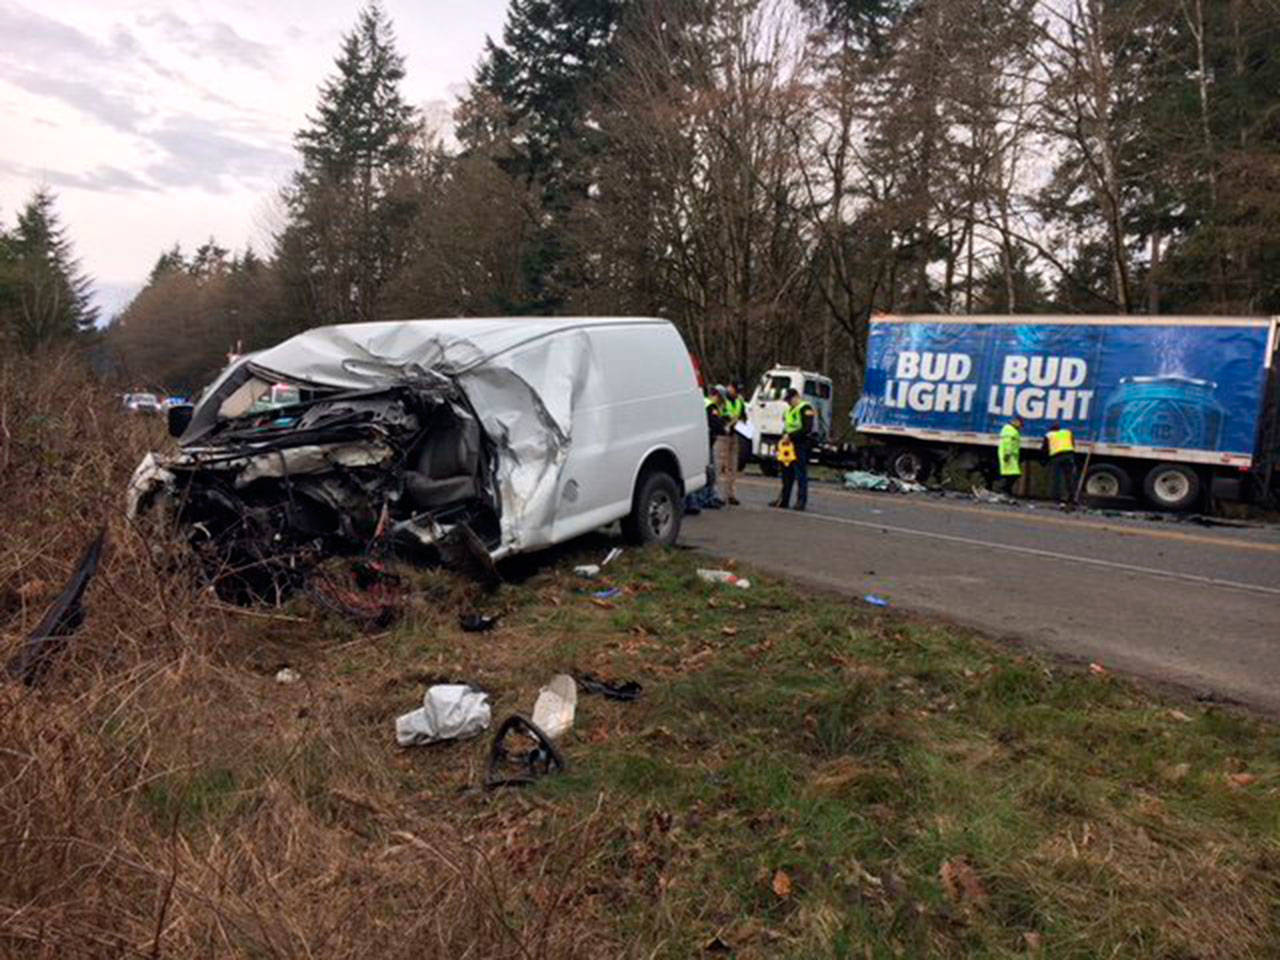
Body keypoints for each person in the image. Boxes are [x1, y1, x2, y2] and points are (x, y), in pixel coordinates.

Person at [773, 388, 817, 510]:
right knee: (786, 473)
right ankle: (784, 500)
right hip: (788, 445)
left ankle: (801, 501)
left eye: (790, 399)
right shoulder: (789, 410)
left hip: (800, 444)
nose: (788, 402)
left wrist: (791, 436)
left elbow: (807, 428)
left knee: (800, 473)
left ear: (796, 397)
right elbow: (787, 426)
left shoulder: (805, 408)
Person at [717, 383, 747, 505]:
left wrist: (741, 420)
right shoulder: (724, 400)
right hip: (723, 435)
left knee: (732, 466)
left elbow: (743, 415)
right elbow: (719, 415)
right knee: (720, 465)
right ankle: (719, 495)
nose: (737, 393)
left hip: (734, 434)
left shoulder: (739, 401)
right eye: (736, 390)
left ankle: (730, 494)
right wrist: (728, 422)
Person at [1042, 421, 1078, 508]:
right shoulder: (1067, 432)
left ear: (1051, 429)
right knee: (1069, 477)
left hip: (1057, 457)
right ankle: (1071, 497)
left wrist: (1044, 460)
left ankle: (1059, 498)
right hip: (1069, 455)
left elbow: (1045, 449)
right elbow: (1073, 443)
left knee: (1057, 478)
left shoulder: (1049, 435)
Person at [995, 415, 1024, 496]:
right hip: (1008, 456)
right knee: (1011, 475)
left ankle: (1006, 491)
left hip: (1012, 456)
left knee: (1010, 475)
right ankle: (1003, 490)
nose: (1020, 427)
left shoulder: (1011, 430)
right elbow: (1007, 443)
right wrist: (1007, 454)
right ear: (1016, 422)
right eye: (1020, 424)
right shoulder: (1009, 430)